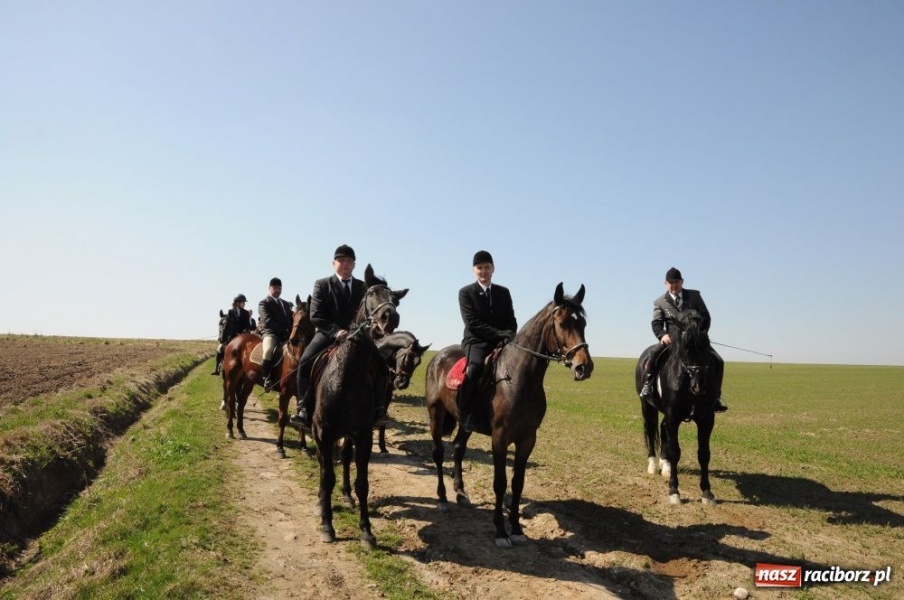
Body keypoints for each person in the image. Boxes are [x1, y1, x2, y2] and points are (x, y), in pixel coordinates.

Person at [291, 244, 389, 429]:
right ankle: (303, 408)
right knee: (304, 362)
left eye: (349, 261)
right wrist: (336, 331)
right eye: (341, 260)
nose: (345, 264)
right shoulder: (321, 284)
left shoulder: (363, 287)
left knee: (382, 366)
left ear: (354, 265)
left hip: (358, 336)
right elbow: (316, 315)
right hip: (328, 334)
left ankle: (379, 410)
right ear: (333, 263)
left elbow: (369, 313)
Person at [639, 267, 727, 412]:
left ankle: (715, 396)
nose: (674, 285)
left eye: (677, 282)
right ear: (665, 283)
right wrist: (663, 335)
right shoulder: (659, 302)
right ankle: (648, 386)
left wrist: (699, 334)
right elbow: (656, 323)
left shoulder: (695, 296)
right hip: (672, 341)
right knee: (653, 356)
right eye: (670, 283)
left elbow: (706, 317)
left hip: (695, 341)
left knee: (718, 360)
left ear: (682, 282)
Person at [457, 250, 517, 433]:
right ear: (474, 270)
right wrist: (500, 333)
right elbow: (472, 323)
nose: (483, 271)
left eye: (487, 267)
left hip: (501, 342)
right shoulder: (466, 292)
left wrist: (510, 334)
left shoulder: (503, 292)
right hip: (476, 341)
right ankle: (465, 414)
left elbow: (511, 319)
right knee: (474, 370)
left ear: (493, 269)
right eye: (480, 267)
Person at [257, 277, 294, 391]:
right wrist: (281, 330)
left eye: (279, 288)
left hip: (286, 334)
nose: (277, 290)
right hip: (270, 333)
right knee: (268, 350)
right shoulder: (264, 303)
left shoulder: (285, 304)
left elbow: (290, 319)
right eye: (275, 288)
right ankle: (266, 377)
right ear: (269, 288)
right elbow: (267, 320)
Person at [212, 293, 254, 376]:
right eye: (243, 302)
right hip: (232, 336)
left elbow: (247, 325)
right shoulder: (230, 312)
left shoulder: (246, 313)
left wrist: (243, 332)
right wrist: (235, 333)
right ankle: (217, 367)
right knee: (220, 347)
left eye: (244, 303)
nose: (244, 304)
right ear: (238, 303)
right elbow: (230, 325)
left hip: (243, 336)